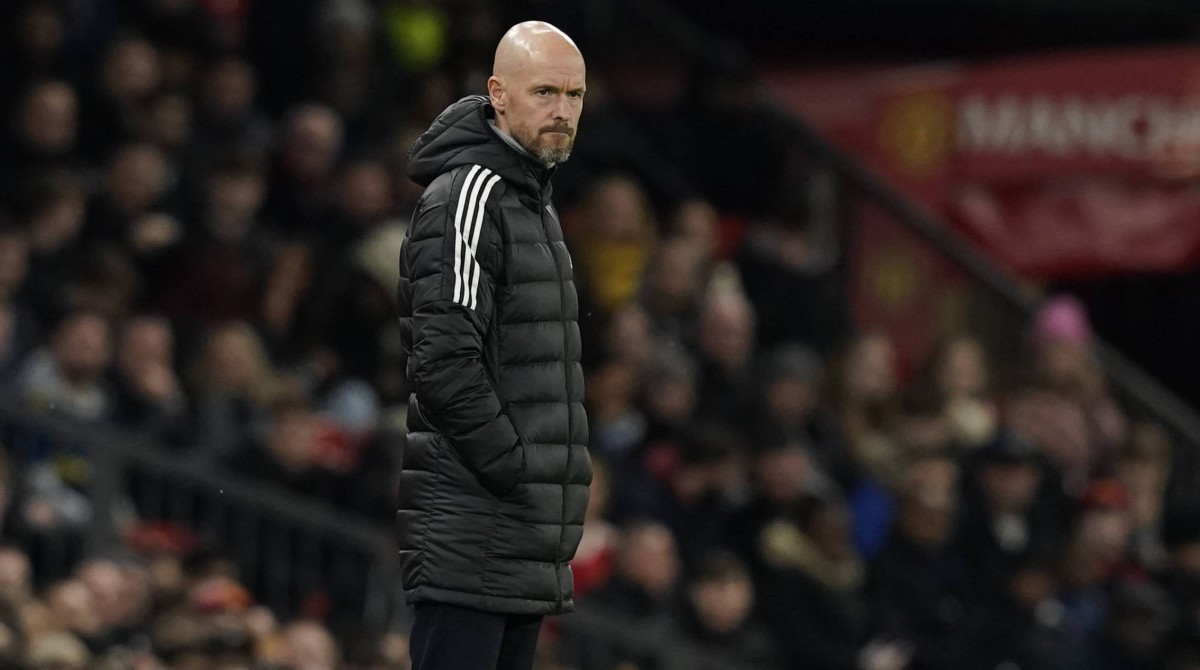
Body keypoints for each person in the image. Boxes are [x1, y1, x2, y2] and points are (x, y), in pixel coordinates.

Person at [395, 21, 591, 670]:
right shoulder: (470, 195)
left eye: (574, 96)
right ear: (497, 95)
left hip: (515, 541)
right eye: (544, 93)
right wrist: (515, 469)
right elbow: (444, 361)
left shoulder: (531, 198)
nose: (562, 112)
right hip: (474, 531)